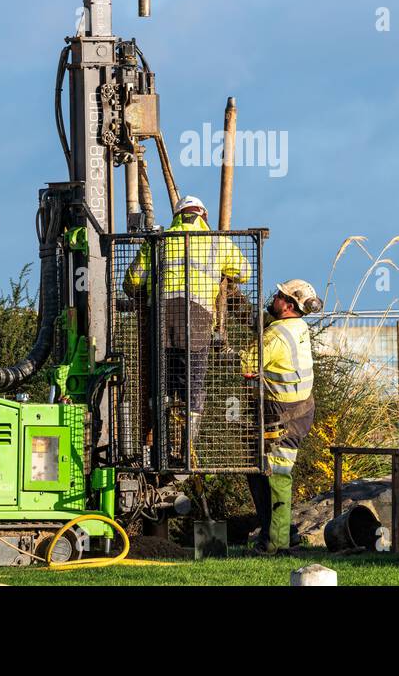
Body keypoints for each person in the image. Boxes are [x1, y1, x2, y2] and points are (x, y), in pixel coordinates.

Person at [123, 196, 250, 461]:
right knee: (193, 386)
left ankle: (159, 450)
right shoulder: (217, 241)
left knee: (160, 386)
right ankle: (186, 451)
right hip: (197, 320)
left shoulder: (158, 241)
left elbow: (133, 280)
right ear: (202, 216)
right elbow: (244, 273)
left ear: (177, 216)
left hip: (160, 319)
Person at [242, 278, 321, 553]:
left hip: (283, 416)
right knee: (257, 471)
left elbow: (247, 365)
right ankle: (280, 531)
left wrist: (223, 351)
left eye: (279, 295)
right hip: (297, 411)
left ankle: (276, 543)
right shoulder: (297, 327)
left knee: (277, 474)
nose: (273, 297)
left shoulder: (275, 336)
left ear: (288, 305)